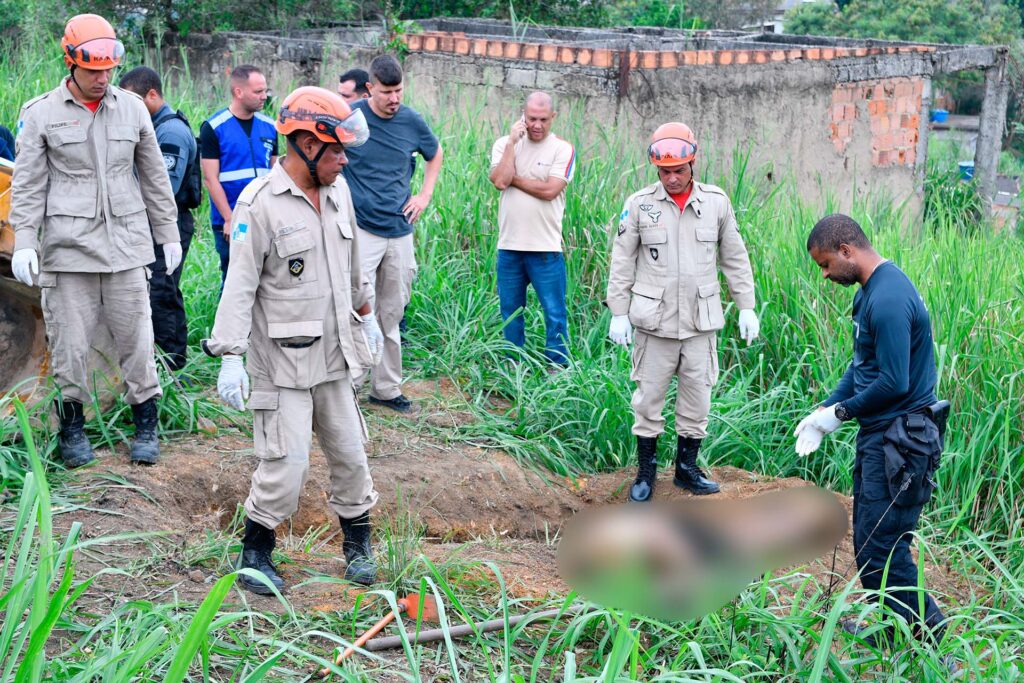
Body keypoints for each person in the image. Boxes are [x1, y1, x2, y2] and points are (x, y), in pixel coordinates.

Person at [202, 86, 385, 593]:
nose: (343, 161)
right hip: (281, 362)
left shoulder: (339, 193)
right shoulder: (259, 205)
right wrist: (231, 357)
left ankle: (358, 547)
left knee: (351, 455)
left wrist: (366, 315)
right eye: (336, 150)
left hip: (335, 353)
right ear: (305, 142)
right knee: (287, 464)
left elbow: (351, 270)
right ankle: (256, 553)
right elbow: (238, 286)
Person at [9, 14, 181, 467]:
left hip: (126, 250)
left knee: (138, 343)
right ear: (71, 63)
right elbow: (27, 187)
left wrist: (167, 233)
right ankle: (72, 431)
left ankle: (146, 426)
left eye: (108, 69)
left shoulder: (132, 108)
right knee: (69, 346)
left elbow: (154, 178)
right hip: (68, 253)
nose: (103, 78)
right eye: (93, 71)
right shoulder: (41, 113)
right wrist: (25, 240)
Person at [795, 213, 949, 647]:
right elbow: (862, 367)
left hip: (903, 442)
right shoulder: (868, 295)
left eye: (826, 264)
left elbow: (894, 382)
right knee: (868, 542)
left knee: (884, 546)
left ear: (847, 251)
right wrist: (825, 407)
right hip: (879, 438)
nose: (825, 275)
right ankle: (893, 630)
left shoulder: (889, 297)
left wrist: (838, 416)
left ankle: (934, 642)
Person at [606, 122, 760, 502]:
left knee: (697, 398)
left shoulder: (716, 203)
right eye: (665, 172)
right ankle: (646, 473)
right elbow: (622, 260)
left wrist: (746, 306)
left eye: (679, 170)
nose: (672, 178)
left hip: (699, 322)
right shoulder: (640, 205)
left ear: (693, 164)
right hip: (654, 322)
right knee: (648, 399)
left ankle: (687, 470)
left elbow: (735, 258)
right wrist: (618, 311)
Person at [343, 54, 443, 413]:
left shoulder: (411, 120)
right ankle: (348, 387)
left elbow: (435, 153)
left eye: (399, 90)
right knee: (357, 307)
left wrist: (425, 195)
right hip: (361, 230)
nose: (394, 98)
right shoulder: (352, 118)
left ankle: (386, 389)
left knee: (392, 312)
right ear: (370, 88)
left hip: (400, 231)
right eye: (387, 92)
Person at [119, 66, 200, 374]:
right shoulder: (151, 125)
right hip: (152, 223)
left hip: (168, 223)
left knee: (162, 293)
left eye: (133, 99)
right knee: (156, 292)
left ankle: (171, 368)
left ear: (151, 95)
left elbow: (165, 187)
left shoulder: (171, 132)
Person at [488, 92, 575, 365]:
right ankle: (511, 366)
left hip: (545, 249)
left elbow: (550, 190)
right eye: (531, 119)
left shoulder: (562, 149)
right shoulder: (504, 144)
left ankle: (557, 368)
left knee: (554, 313)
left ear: (553, 118)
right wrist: (513, 144)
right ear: (522, 115)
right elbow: (500, 182)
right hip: (509, 247)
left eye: (543, 119)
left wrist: (513, 177)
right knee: (510, 312)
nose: (537, 125)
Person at [200, 64, 277, 287]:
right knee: (235, 279)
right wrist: (228, 218)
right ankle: (227, 323)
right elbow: (210, 179)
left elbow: (275, 173)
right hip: (234, 220)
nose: (264, 96)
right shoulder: (214, 128)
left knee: (267, 280)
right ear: (238, 92)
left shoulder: (270, 127)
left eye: (265, 90)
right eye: (258, 92)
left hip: (265, 218)